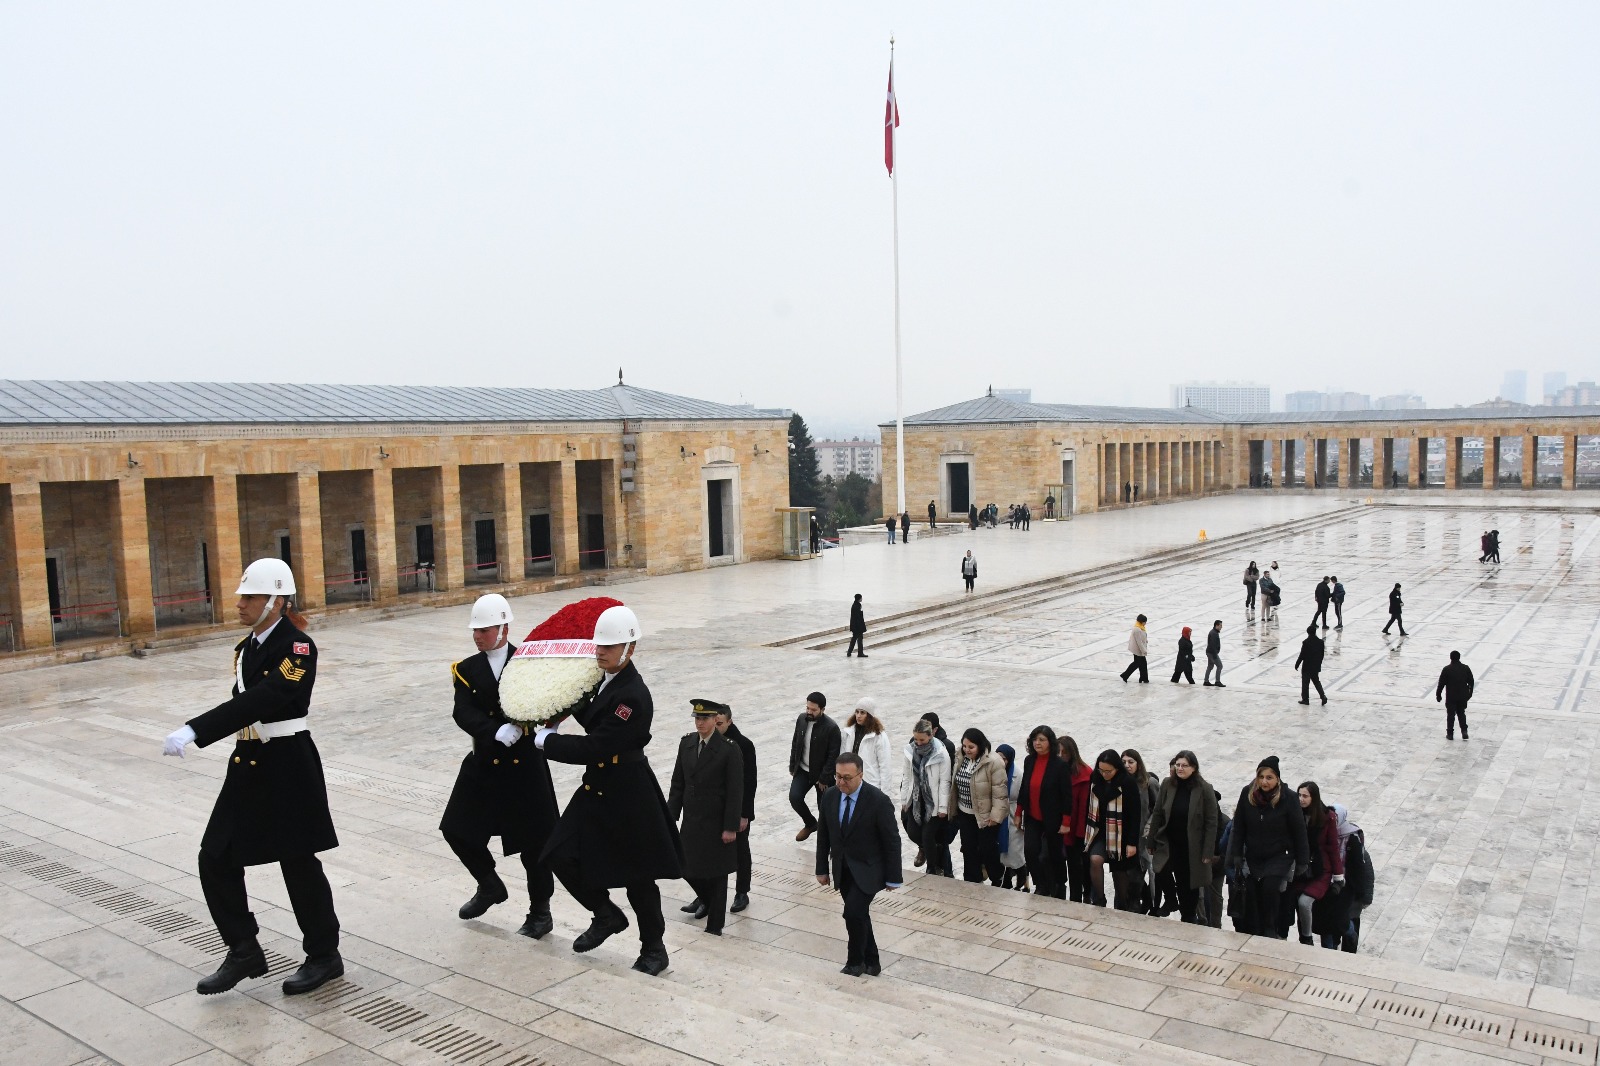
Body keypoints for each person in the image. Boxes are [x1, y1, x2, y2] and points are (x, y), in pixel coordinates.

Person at [161, 558, 344, 996]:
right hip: (249, 762)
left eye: (250, 596)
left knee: (297, 861)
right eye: (242, 596)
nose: (240, 604)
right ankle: (244, 949)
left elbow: (267, 698)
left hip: (288, 764)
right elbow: (248, 703)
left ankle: (324, 955)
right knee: (215, 856)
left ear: (276, 601)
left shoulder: (298, 648)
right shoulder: (247, 649)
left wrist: (196, 728)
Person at [536, 604, 681, 976]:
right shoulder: (605, 680)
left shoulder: (632, 696)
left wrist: (547, 742)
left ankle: (654, 949)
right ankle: (605, 914)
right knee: (556, 853)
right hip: (598, 785)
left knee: (637, 876)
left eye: (608, 646)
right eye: (598, 645)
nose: (599, 651)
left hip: (627, 790)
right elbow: (589, 713)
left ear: (629, 648)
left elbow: (596, 746)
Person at [440, 593, 557, 940]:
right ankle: (489, 884)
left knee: (535, 847)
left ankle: (541, 913)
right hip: (485, 763)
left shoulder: (527, 661)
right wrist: (494, 730)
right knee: (456, 829)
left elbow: (548, 701)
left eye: (485, 630)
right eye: (475, 630)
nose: (478, 636)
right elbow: (463, 712)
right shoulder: (466, 669)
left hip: (524, 768)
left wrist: (543, 726)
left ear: (505, 628)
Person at [815, 753, 903, 976]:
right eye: (838, 777)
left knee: (852, 913)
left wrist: (894, 877)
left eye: (847, 777)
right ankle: (872, 961)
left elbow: (892, 840)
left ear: (860, 775)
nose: (841, 782)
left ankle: (855, 962)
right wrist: (821, 869)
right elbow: (823, 835)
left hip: (870, 869)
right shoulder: (830, 797)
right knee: (859, 914)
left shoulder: (878, 801)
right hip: (843, 869)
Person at [667, 700, 744, 937]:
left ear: (715, 720)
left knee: (717, 873)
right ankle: (706, 900)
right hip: (692, 819)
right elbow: (678, 783)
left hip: (716, 820)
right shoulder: (687, 743)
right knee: (686, 867)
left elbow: (735, 790)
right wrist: (671, 816)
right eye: (697, 718)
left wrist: (730, 826)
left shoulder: (729, 749)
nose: (700, 723)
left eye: (705, 719)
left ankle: (715, 926)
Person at [1226, 756, 1309, 938]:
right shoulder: (1247, 794)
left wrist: (1303, 860)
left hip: (1279, 854)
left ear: (1277, 779)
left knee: (1270, 888)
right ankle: (1255, 928)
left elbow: (1299, 830)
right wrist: (1236, 853)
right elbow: (1239, 825)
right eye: (1261, 777)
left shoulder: (1289, 798)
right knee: (1252, 889)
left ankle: (1271, 926)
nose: (1264, 781)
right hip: (1255, 853)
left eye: (1269, 777)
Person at [1148, 750, 1219, 924]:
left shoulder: (1204, 788)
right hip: (1169, 841)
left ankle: (1188, 916)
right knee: (1160, 868)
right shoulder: (1167, 784)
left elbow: (1212, 821)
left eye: (1184, 765)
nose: (1180, 768)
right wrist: (1151, 839)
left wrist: (1208, 851)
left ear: (1193, 768)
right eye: (1178, 765)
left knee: (1188, 883)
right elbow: (1157, 813)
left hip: (1192, 845)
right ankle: (1171, 900)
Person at [1083, 750, 1143, 910]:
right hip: (1099, 831)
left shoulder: (1127, 783)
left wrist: (1132, 843)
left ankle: (1122, 905)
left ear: (1117, 768)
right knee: (1095, 860)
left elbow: (1135, 815)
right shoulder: (1095, 779)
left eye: (1108, 771)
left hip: (1121, 835)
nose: (1104, 774)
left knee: (1119, 873)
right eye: (1101, 770)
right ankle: (1099, 900)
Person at [949, 728, 1007, 886]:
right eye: (964, 746)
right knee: (968, 848)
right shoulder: (960, 757)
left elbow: (999, 793)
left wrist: (995, 817)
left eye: (971, 747)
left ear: (980, 746)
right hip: (965, 813)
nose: (967, 750)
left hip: (986, 816)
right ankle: (972, 880)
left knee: (987, 849)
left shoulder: (993, 762)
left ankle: (997, 877)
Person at [1287, 781, 1343, 945]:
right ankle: (1303, 937)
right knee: (1297, 903)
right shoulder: (1294, 813)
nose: (1301, 799)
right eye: (1299, 795)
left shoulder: (1327, 817)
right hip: (1299, 869)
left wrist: (1338, 876)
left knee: (1305, 902)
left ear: (1314, 797)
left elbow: (1333, 847)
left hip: (1320, 870)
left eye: (1305, 796)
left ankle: (1307, 938)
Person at [1017, 726, 1070, 899]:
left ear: (1050, 742)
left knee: (1052, 855)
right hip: (1033, 816)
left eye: (1042, 740)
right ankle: (1041, 885)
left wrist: (1066, 821)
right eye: (1035, 739)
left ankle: (1059, 885)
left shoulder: (1059, 765)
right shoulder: (1029, 761)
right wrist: (1018, 812)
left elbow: (1066, 795)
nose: (1037, 743)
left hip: (1053, 818)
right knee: (1030, 851)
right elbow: (1024, 788)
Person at [713, 707, 757, 913]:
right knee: (709, 851)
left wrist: (744, 814)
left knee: (740, 850)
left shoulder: (744, 745)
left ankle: (742, 891)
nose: (716, 726)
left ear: (729, 721)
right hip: (715, 808)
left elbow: (749, 783)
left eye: (719, 723)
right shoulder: (709, 742)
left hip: (737, 808)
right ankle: (705, 894)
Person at [1313, 804, 1372, 951]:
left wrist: (1365, 896)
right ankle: (1328, 951)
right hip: (1326, 889)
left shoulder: (1353, 839)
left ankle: (1349, 952)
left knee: (1345, 923)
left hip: (1349, 892)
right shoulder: (1323, 835)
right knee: (1326, 924)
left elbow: (1364, 871)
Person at [898, 720, 951, 874]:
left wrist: (942, 807)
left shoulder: (941, 753)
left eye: (922, 739)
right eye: (916, 739)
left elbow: (944, 782)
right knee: (913, 832)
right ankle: (933, 850)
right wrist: (904, 800)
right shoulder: (910, 751)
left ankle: (932, 868)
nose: (918, 743)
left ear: (930, 736)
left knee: (927, 835)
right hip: (915, 799)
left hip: (932, 802)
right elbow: (906, 777)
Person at [788, 691, 841, 842]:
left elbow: (833, 756)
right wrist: (793, 766)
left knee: (825, 809)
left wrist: (824, 778)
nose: (809, 712)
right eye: (808, 708)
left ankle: (829, 842)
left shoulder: (831, 728)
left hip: (822, 776)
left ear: (822, 710)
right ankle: (810, 824)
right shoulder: (801, 719)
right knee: (795, 797)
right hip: (803, 770)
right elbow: (795, 742)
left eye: (813, 710)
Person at [1121, 749, 1161, 912]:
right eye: (1123, 762)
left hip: (1142, 838)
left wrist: (1148, 830)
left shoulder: (1149, 783)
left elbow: (1158, 810)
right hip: (1122, 836)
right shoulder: (1119, 783)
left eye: (1131, 762)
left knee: (1138, 872)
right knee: (1126, 874)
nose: (1127, 765)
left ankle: (1140, 905)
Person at [1056, 736, 1094, 902]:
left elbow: (1084, 807)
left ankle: (1079, 896)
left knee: (1077, 865)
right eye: (1058, 752)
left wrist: (1080, 834)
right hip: (1058, 825)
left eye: (1064, 752)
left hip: (1076, 829)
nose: (1061, 755)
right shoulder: (1055, 770)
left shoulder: (1084, 774)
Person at [995, 744, 1030, 891]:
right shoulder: (993, 770)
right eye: (998, 757)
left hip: (1014, 813)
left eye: (1004, 758)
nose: (1001, 761)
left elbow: (1022, 796)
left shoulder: (1017, 774)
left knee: (1014, 848)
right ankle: (1008, 879)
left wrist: (1019, 816)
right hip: (998, 813)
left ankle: (1022, 873)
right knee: (1001, 850)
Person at [841, 697, 893, 791]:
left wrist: (885, 793)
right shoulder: (848, 732)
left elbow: (885, 766)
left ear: (869, 715)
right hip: (850, 781)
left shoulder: (879, 736)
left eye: (862, 712)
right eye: (857, 712)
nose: (858, 716)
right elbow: (842, 756)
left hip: (870, 783)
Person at [1436, 650, 1475, 740]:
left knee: (1450, 715)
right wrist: (1470, 693)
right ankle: (1464, 731)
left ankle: (1450, 734)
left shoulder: (1447, 669)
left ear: (1450, 658)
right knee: (1461, 713)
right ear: (1459, 657)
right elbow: (1471, 682)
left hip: (1451, 696)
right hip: (1462, 696)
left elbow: (1441, 683)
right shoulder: (1465, 668)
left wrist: (1438, 694)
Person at [1295, 624, 1328, 706]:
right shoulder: (1321, 642)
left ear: (1308, 633)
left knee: (1305, 683)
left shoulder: (1306, 642)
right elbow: (1322, 655)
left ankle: (1305, 699)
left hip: (1307, 666)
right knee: (1316, 682)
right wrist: (1318, 664)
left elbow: (1302, 655)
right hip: (1315, 666)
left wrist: (1297, 664)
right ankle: (1323, 697)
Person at [1120, 614, 1150, 683]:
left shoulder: (1140, 627)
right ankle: (1125, 675)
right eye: (1145, 622)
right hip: (1137, 650)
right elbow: (1139, 642)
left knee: (1142, 664)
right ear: (1142, 622)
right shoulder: (1137, 629)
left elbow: (1142, 638)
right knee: (1136, 664)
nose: (1145, 623)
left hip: (1139, 649)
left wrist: (1145, 640)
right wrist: (1144, 651)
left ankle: (1143, 678)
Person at [1203, 620, 1225, 687]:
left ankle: (1206, 681)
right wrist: (1215, 655)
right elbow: (1212, 645)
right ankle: (1217, 681)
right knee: (1220, 666)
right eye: (1220, 625)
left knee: (1210, 666)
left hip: (1210, 652)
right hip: (1212, 653)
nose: (1221, 627)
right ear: (1217, 625)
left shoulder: (1214, 632)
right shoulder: (1214, 633)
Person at [847, 594, 868, 658]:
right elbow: (858, 618)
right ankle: (859, 653)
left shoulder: (856, 605)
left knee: (855, 639)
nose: (862, 599)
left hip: (855, 626)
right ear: (859, 598)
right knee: (858, 639)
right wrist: (861, 627)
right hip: (857, 626)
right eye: (861, 598)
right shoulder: (856, 606)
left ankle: (850, 652)